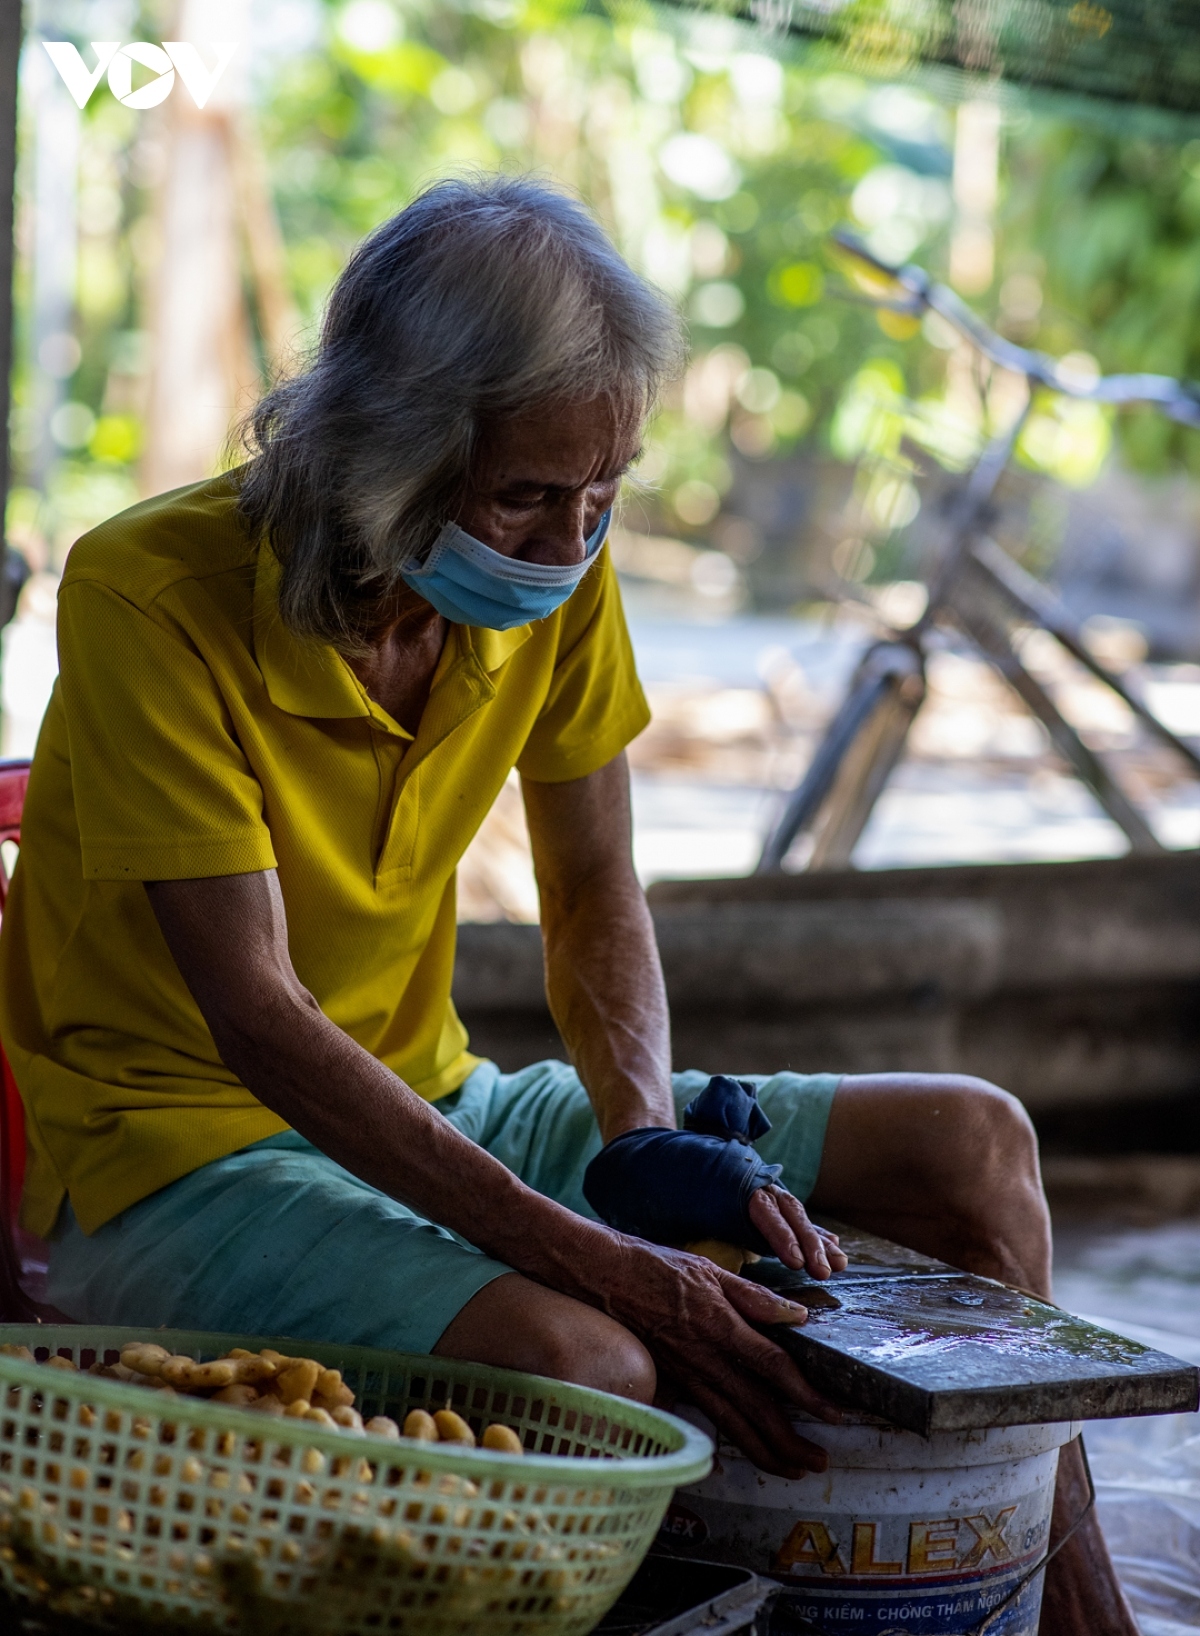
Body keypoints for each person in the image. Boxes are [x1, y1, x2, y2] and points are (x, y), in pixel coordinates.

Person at [0, 176, 1131, 1633]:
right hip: (176, 1159)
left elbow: (595, 891)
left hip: (437, 1100)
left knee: (976, 1145)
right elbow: (261, 1022)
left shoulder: (552, 574)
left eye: (601, 495)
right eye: (527, 494)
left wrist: (642, 1137)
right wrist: (609, 1262)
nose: (566, 539)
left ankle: (1087, 1613)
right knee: (598, 1360)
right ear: (388, 456)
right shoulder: (145, 591)